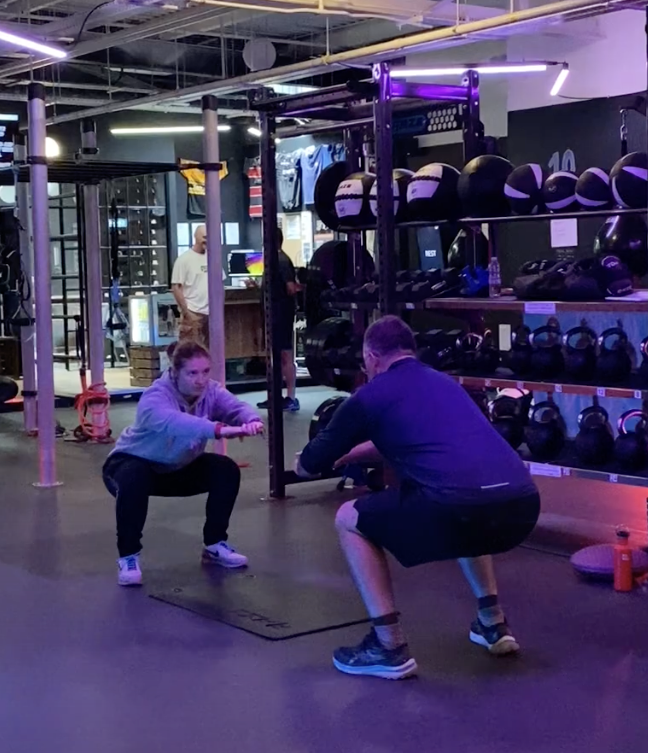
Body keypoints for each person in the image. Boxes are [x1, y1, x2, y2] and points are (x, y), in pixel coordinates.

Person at [295, 316, 541, 680]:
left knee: (349, 517)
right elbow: (413, 439)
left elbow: (310, 466)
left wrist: (305, 460)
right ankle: (493, 622)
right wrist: (349, 454)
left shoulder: (370, 395)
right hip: (522, 506)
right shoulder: (446, 384)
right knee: (465, 501)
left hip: (456, 509)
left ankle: (388, 645)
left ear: (371, 356)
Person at [103, 340, 263, 587]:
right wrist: (218, 429)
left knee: (225, 470)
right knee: (135, 477)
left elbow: (235, 407)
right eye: (192, 373)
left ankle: (214, 544)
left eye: (205, 372)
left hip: (175, 467)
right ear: (175, 372)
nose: (200, 380)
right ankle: (128, 557)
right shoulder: (154, 397)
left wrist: (251, 420)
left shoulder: (210, 390)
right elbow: (176, 423)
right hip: (130, 464)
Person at [259, 225, 300, 412]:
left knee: (285, 355)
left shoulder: (282, 261)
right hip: (273, 315)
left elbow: (291, 288)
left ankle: (291, 398)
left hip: (281, 315)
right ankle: (275, 396)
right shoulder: (273, 260)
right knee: (275, 356)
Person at [171, 224, 210, 348]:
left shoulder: (212, 257)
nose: (207, 240)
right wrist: (186, 312)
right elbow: (176, 287)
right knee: (190, 351)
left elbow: (220, 282)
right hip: (193, 312)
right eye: (204, 237)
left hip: (210, 314)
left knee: (209, 351)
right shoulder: (184, 260)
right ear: (196, 238)